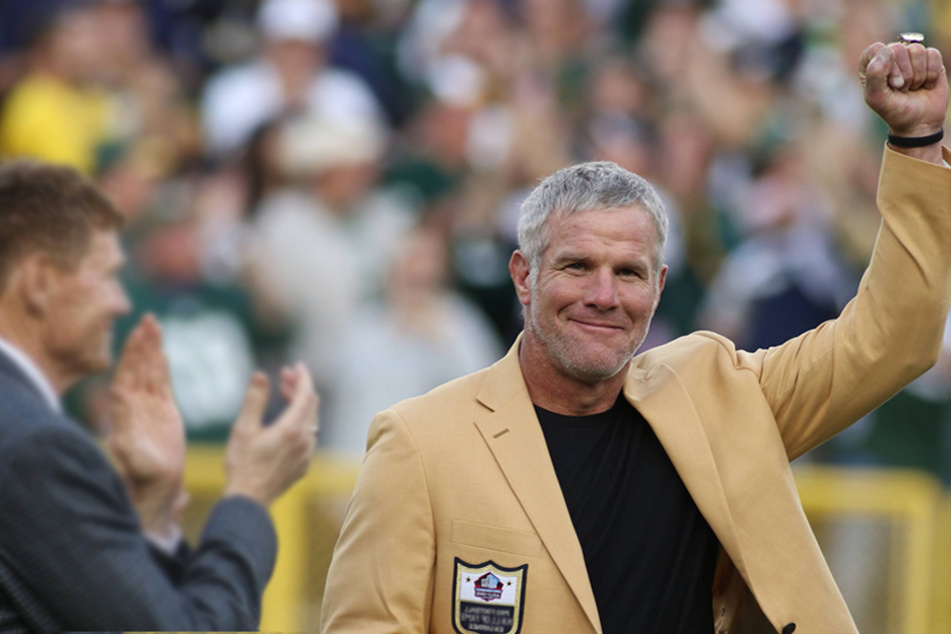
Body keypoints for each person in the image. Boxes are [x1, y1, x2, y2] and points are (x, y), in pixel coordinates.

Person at [320, 40, 951, 633]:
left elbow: (895, 337)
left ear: (659, 286)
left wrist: (917, 141)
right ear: (523, 276)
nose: (604, 295)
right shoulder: (419, 445)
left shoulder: (720, 394)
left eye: (629, 273)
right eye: (576, 266)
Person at [0, 160, 319, 631]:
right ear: (40, 281)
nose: (121, 302)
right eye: (106, 276)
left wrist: (151, 515)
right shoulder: (35, 445)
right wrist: (250, 493)